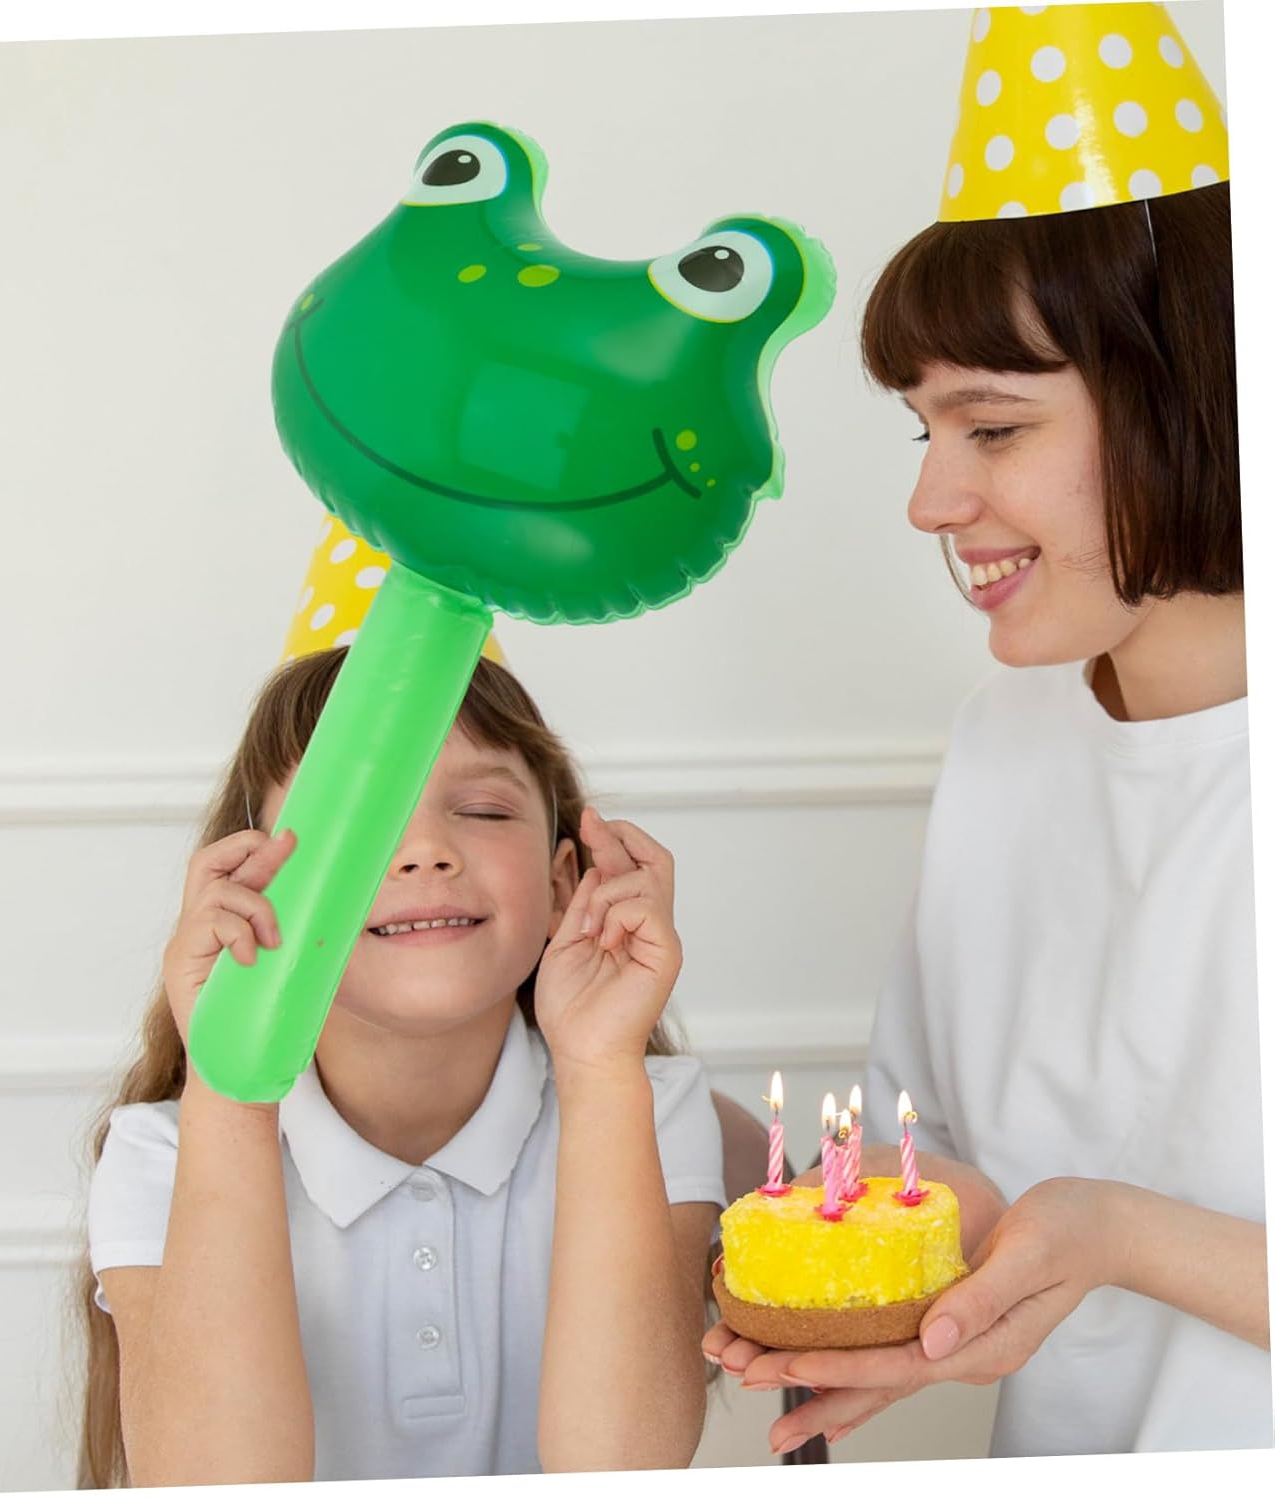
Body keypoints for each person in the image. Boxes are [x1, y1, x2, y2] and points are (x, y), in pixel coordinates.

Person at [703, 163, 1270, 1457]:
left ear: (1201, 401)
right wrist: (881, 1260)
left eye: (995, 428)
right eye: (926, 433)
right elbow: (953, 1156)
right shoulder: (1003, 740)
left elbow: (1097, 1222)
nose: (931, 504)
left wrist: (1122, 1237)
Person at [74, 646, 726, 1484]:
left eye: (483, 810)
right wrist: (233, 1075)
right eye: (357, 811)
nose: (423, 851)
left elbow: (621, 1472)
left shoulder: (645, 1105)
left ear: (565, 886)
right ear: (251, 891)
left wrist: (601, 1065)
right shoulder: (163, 1154)